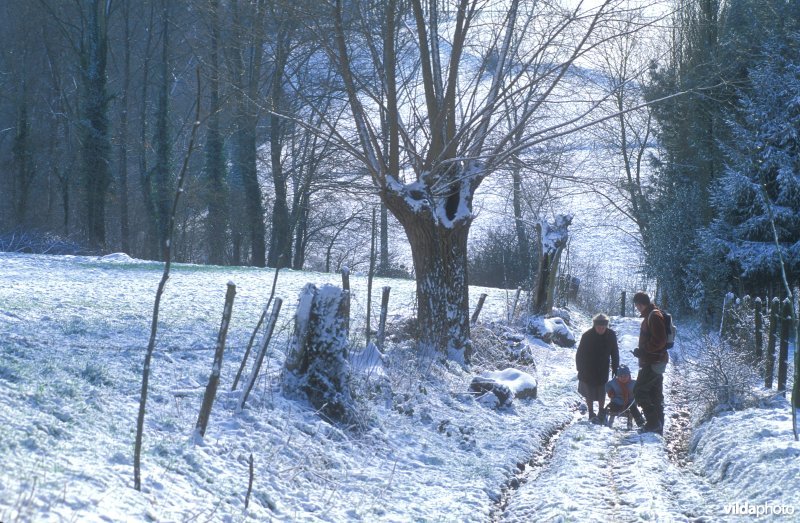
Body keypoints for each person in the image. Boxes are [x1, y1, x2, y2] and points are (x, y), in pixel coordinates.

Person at [632, 291, 668, 434]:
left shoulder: (653, 316)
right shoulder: (653, 314)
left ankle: (653, 422)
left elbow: (660, 340)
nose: (637, 308)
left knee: (639, 390)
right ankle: (658, 426)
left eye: (637, 305)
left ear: (640, 304)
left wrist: (644, 351)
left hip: (654, 361)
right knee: (655, 394)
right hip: (656, 360)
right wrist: (642, 352)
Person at [576, 313, 619, 423]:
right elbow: (579, 353)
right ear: (594, 326)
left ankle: (601, 411)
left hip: (603, 367)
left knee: (601, 389)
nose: (601, 329)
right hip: (588, 367)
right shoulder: (587, 336)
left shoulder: (611, 335)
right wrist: (579, 369)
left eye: (603, 327)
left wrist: (615, 368)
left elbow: (615, 353)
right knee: (589, 390)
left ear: (606, 326)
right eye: (598, 327)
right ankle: (591, 412)